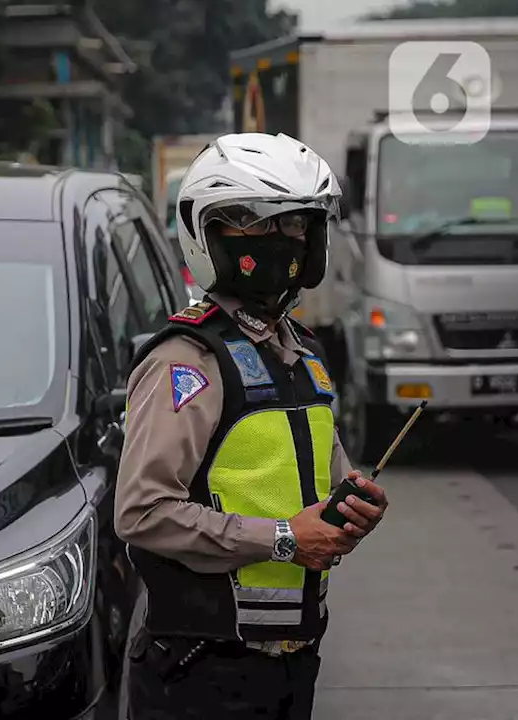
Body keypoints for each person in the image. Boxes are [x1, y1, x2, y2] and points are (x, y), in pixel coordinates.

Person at [116, 132, 391, 719]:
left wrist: (353, 506)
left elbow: (319, 483)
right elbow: (141, 513)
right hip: (202, 671)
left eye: (295, 227)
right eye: (255, 225)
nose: (281, 244)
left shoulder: (303, 358)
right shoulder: (188, 361)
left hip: (293, 662)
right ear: (207, 233)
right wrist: (286, 539)